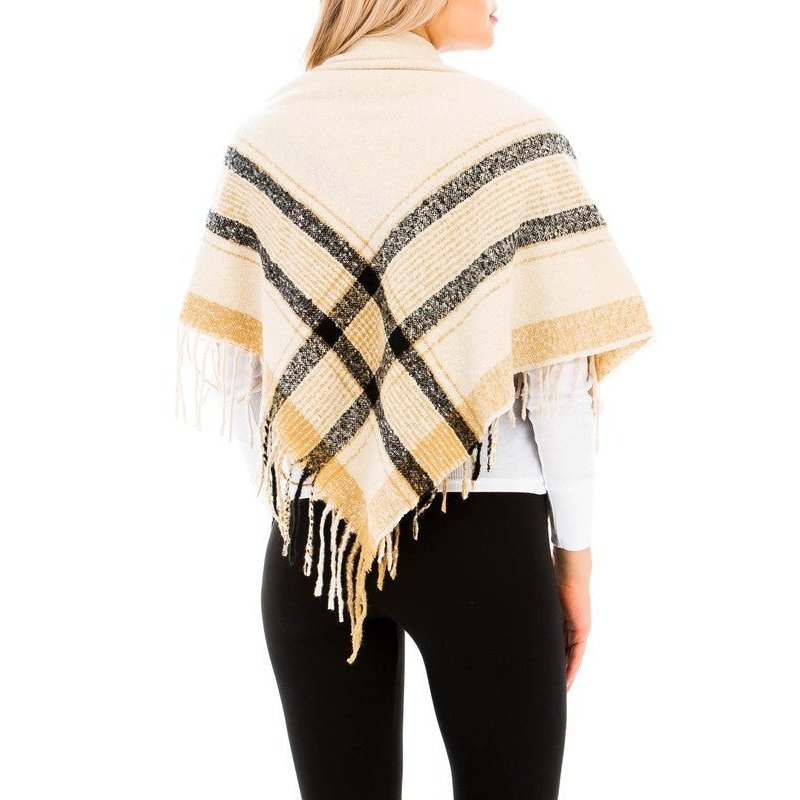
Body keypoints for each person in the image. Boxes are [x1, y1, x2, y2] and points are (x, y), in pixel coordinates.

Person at [175, 1, 655, 797]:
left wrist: (326, 474)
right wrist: (575, 564)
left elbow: (252, 380)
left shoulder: (268, 142)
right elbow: (560, 387)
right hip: (486, 540)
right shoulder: (513, 141)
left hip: (315, 548)